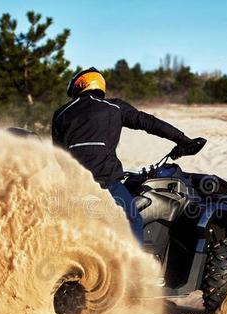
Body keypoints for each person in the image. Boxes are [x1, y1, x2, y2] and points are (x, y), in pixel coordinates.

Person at [51, 67, 201, 243]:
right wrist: (183, 140)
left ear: (79, 86)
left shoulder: (60, 113)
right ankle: (135, 269)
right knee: (133, 219)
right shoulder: (114, 107)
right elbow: (150, 123)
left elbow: (58, 155)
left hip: (73, 187)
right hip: (106, 183)